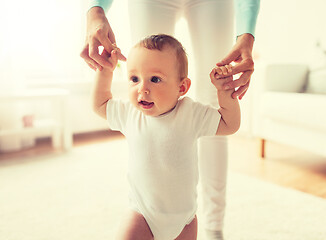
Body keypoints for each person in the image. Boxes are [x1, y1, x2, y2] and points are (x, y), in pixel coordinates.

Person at [81, 1, 259, 239]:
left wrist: (226, 95)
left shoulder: (191, 113)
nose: (142, 89)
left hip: (185, 221)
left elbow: (229, 124)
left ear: (182, 87)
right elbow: (100, 104)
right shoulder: (130, 113)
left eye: (155, 79)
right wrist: (105, 72)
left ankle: (215, 227)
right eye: (134, 79)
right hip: (142, 215)